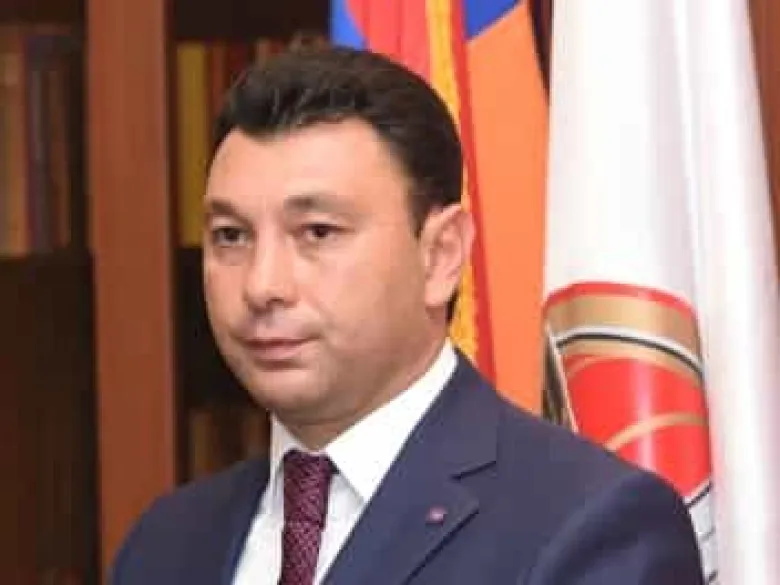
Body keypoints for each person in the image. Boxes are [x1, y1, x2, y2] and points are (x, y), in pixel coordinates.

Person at [109, 46, 704, 584]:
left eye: (317, 232)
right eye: (231, 235)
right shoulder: (168, 542)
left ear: (441, 255)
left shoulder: (589, 525)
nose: (263, 286)